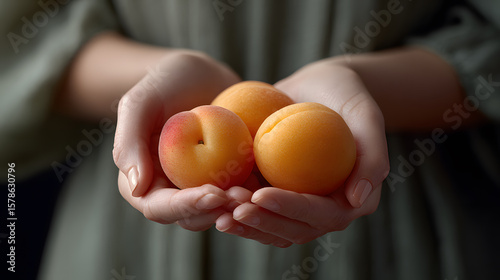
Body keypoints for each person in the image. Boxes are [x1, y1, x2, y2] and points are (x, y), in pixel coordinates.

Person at [1, 0, 499, 279]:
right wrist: (147, 82)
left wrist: (368, 84)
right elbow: (19, 43)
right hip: (128, 249)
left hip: (405, 234)